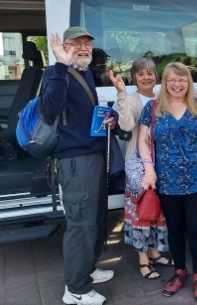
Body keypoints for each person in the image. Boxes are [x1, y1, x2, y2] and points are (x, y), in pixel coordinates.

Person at [137, 62, 197, 302]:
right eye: (172, 80)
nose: (177, 84)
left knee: (195, 227)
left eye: (182, 80)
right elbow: (143, 141)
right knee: (174, 227)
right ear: (164, 81)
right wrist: (148, 169)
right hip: (166, 178)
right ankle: (180, 271)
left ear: (188, 82)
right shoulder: (153, 108)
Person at [45, 27, 116, 305]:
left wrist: (109, 118)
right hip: (74, 161)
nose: (84, 48)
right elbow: (51, 109)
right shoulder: (55, 73)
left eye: (87, 43)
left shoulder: (86, 73)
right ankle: (75, 289)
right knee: (81, 224)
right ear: (64, 46)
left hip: (93, 156)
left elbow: (82, 114)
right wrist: (61, 64)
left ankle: (88, 269)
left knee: (97, 219)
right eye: (77, 44)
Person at [109, 58, 172, 281]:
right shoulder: (133, 100)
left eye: (150, 73)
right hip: (138, 164)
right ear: (134, 77)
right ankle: (143, 260)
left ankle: (154, 252)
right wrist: (121, 94)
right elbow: (126, 126)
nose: (146, 77)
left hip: (161, 162)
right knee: (141, 211)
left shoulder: (163, 98)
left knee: (157, 209)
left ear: (157, 75)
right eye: (141, 74)